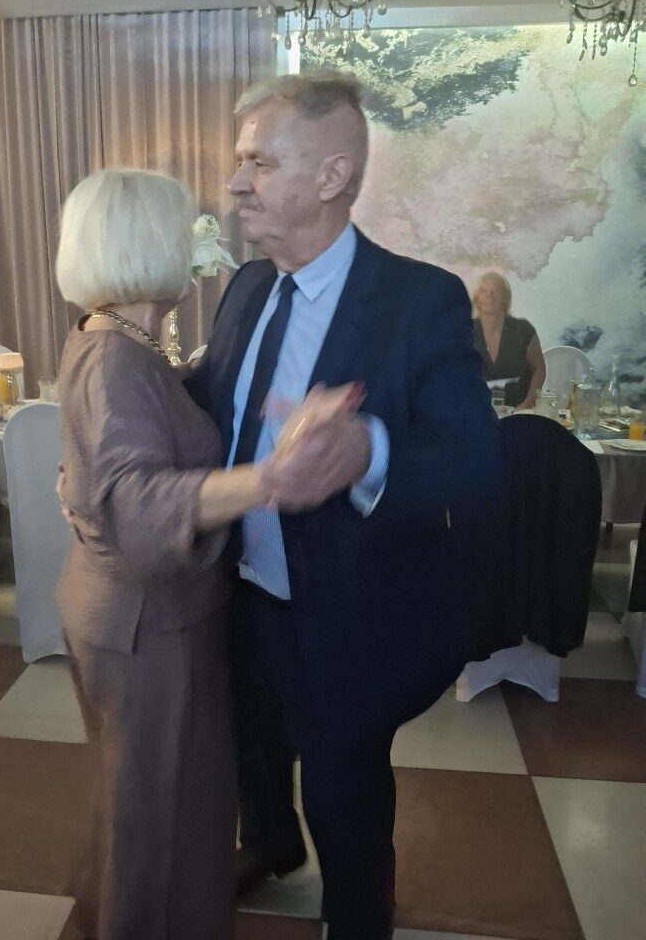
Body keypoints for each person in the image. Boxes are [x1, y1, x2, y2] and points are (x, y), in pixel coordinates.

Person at [185, 71, 504, 940]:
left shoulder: (420, 301)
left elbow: (476, 464)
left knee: (344, 784)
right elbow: (213, 400)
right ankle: (271, 844)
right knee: (251, 743)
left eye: (259, 162)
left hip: (349, 612)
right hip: (241, 588)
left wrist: (368, 451)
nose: (235, 182)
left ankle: (359, 916)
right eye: (240, 161)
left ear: (332, 176)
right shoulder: (247, 288)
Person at [55, 167, 294, 940]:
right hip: (149, 626)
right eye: (181, 229)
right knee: (160, 821)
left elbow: (139, 419)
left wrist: (214, 375)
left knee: (139, 804)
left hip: (122, 614)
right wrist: (269, 478)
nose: (193, 246)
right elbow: (137, 502)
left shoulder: (116, 340)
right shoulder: (117, 357)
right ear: (149, 244)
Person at [472, 271, 546, 409]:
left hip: (518, 411)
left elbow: (539, 369)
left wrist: (527, 405)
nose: (490, 295)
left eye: (496, 290)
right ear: (476, 299)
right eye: (483, 291)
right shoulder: (465, 330)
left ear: (506, 297)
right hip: (475, 411)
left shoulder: (523, 329)